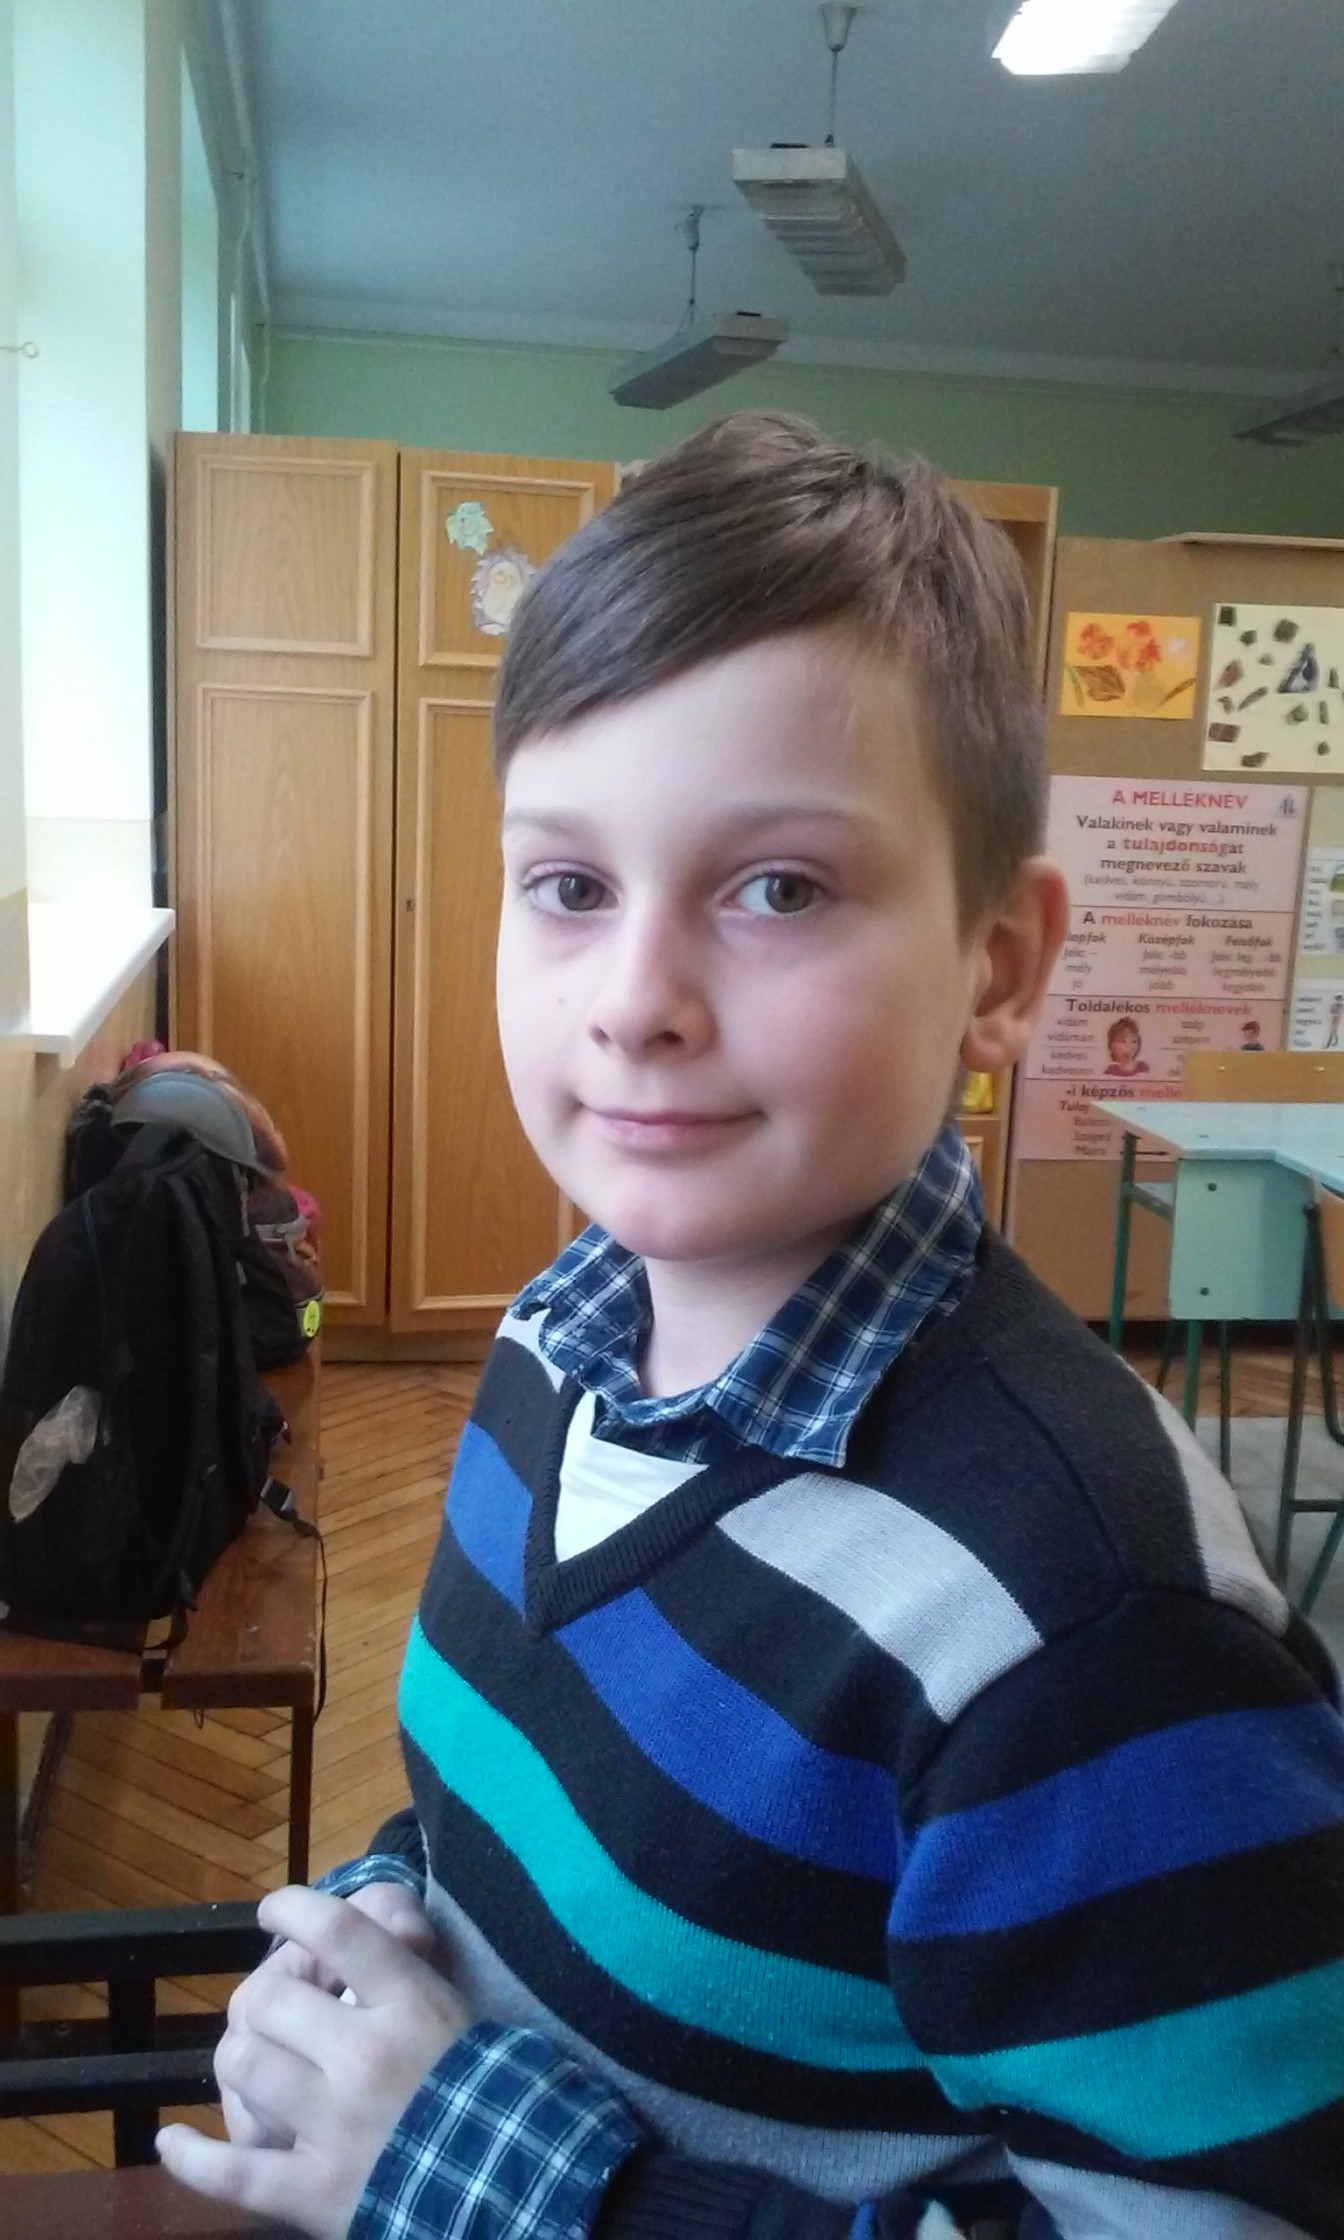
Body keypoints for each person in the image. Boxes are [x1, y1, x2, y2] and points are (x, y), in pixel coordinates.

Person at [158, 414, 1344, 2239]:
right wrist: (378, 1943)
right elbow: (510, 1834)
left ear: (1000, 967)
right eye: (570, 886)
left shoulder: (1088, 1630)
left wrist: (503, 2176)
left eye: (777, 887)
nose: (635, 1000)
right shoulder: (553, 1346)